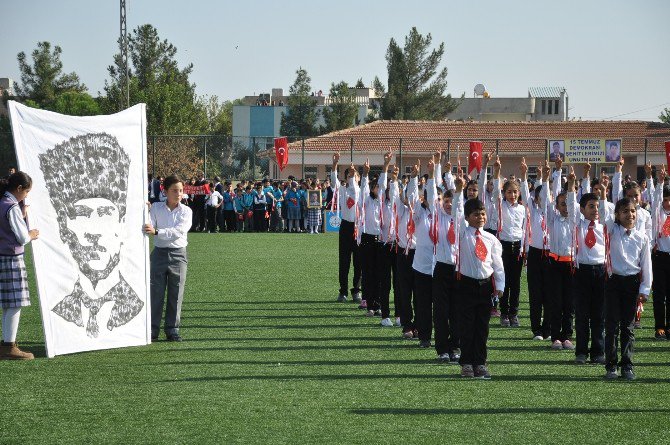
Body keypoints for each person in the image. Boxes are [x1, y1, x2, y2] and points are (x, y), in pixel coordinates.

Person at [597, 195, 651, 380]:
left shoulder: (642, 237)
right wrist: (604, 195)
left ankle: (627, 365)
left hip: (632, 284)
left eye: (633, 211)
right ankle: (611, 366)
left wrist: (644, 289)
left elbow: (646, 265)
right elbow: (604, 214)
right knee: (611, 324)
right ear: (617, 215)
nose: (630, 215)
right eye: (625, 211)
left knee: (628, 327)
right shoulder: (611, 231)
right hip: (613, 281)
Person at [453, 189, 505, 379]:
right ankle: (466, 362)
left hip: (485, 287)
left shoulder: (491, 239)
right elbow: (456, 215)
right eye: (476, 214)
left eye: (483, 213)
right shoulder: (463, 234)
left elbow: (497, 265)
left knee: (482, 328)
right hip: (466, 285)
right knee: (467, 326)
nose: (480, 217)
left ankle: (480, 362)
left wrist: (500, 286)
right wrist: (459, 192)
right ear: (467, 217)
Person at [144, 175, 192, 342]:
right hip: (159, 253)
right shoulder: (155, 208)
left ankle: (172, 329)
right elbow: (148, 225)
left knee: (176, 293)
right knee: (155, 293)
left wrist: (157, 232)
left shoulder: (187, 211)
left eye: (180, 190)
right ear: (165, 191)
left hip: (178, 255)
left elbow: (178, 232)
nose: (178, 194)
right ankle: (152, 329)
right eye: (174, 190)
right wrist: (144, 210)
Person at [567, 167, 606, 365]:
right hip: (581, 271)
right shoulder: (578, 224)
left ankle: (598, 351)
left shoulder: (604, 226)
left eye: (597, 206)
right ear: (582, 210)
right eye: (591, 206)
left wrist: (604, 193)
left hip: (600, 272)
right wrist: (573, 185)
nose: (595, 210)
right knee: (582, 314)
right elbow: (571, 203)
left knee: (598, 314)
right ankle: (581, 352)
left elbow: (606, 207)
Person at [0, 172, 39, 360]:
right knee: (15, 303)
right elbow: (23, 238)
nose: (26, 195)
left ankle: (7, 344)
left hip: (3, 256)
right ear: (19, 189)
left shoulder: (4, 203)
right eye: (26, 191)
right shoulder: (11, 206)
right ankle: (9, 346)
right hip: (12, 258)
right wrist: (31, 233)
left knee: (9, 304)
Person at [541, 161, 576, 350]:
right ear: (557, 206)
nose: (566, 207)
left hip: (570, 265)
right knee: (555, 301)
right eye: (562, 204)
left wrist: (570, 186)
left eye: (567, 204)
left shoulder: (574, 220)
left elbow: (573, 201)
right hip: (554, 263)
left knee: (569, 303)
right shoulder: (552, 218)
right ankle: (555, 336)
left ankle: (567, 335)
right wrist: (548, 178)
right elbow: (546, 201)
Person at [431, 160, 463, 363]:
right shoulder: (438, 216)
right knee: (441, 311)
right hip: (441, 268)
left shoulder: (460, 218)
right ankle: (442, 348)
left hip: (459, 269)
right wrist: (436, 169)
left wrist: (458, 189)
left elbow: (460, 204)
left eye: (452, 201)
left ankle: (456, 346)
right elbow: (434, 193)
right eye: (446, 201)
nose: (449, 204)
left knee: (457, 311)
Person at [520, 157, 552, 341]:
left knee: (549, 293)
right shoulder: (532, 211)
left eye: (546, 197)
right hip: (534, 254)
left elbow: (549, 193)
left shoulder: (552, 213)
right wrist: (524, 176)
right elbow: (525, 194)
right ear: (536, 199)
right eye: (540, 197)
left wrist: (546, 178)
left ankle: (548, 328)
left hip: (550, 255)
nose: (543, 200)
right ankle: (537, 329)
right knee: (535, 293)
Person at [492, 156, 526, 328]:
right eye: (509, 192)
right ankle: (504, 312)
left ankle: (514, 312)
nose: (512, 195)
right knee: (503, 280)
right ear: (504, 193)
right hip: (503, 246)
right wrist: (497, 172)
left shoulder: (522, 209)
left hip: (517, 247)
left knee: (516, 282)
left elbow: (525, 229)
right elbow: (495, 195)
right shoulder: (500, 206)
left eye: (515, 192)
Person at [358, 152, 390, 319]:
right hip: (368, 240)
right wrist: (365, 174)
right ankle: (370, 305)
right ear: (371, 189)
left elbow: (384, 184)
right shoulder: (366, 201)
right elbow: (362, 189)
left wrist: (385, 166)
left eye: (380, 187)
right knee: (369, 274)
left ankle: (378, 305)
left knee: (380, 275)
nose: (378, 189)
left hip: (381, 242)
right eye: (375, 187)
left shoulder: (384, 202)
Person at [331, 153, 362, 304]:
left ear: (359, 178)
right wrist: (335, 165)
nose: (352, 177)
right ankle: (343, 291)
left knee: (359, 262)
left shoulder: (364, 192)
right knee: (344, 261)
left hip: (359, 228)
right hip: (346, 227)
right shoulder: (342, 190)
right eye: (350, 175)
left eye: (355, 175)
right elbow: (333, 183)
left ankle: (356, 291)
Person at [650, 166, 670, 340]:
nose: (668, 203)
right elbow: (655, 201)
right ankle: (660, 327)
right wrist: (660, 182)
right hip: (660, 257)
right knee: (659, 294)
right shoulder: (658, 214)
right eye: (665, 199)